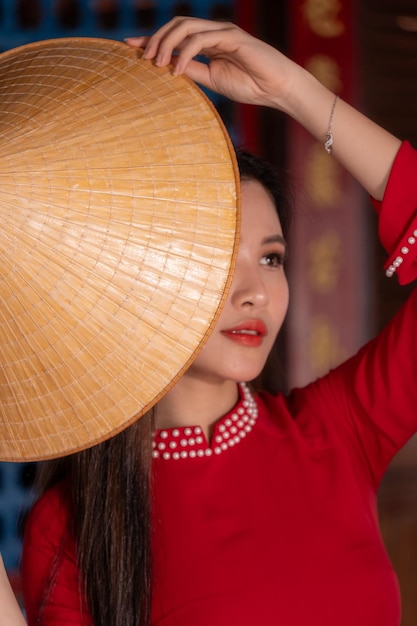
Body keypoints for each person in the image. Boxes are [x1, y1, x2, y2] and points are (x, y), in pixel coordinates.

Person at [21, 16, 417, 626]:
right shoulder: (72, 523)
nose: (256, 292)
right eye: (215, 256)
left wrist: (292, 89)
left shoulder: (337, 432)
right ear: (138, 277)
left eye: (271, 258)